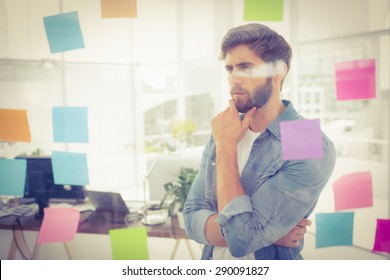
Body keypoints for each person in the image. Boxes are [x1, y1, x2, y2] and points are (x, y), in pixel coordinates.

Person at [183, 23, 336, 260]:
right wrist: (270, 234)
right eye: (230, 69)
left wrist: (226, 150)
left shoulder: (307, 139)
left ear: (279, 71)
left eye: (245, 67)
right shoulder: (225, 128)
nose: (234, 78)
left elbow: (242, 240)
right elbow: (191, 218)